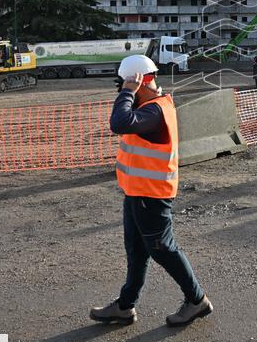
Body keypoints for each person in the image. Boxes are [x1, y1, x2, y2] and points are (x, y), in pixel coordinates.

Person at [90, 55, 212, 328]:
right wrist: (129, 93)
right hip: (137, 193)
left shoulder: (155, 111)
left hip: (152, 196)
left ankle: (197, 300)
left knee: (163, 250)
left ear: (140, 80)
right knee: (136, 251)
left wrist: (127, 93)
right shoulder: (149, 106)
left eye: (125, 83)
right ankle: (124, 306)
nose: (122, 89)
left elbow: (119, 123)